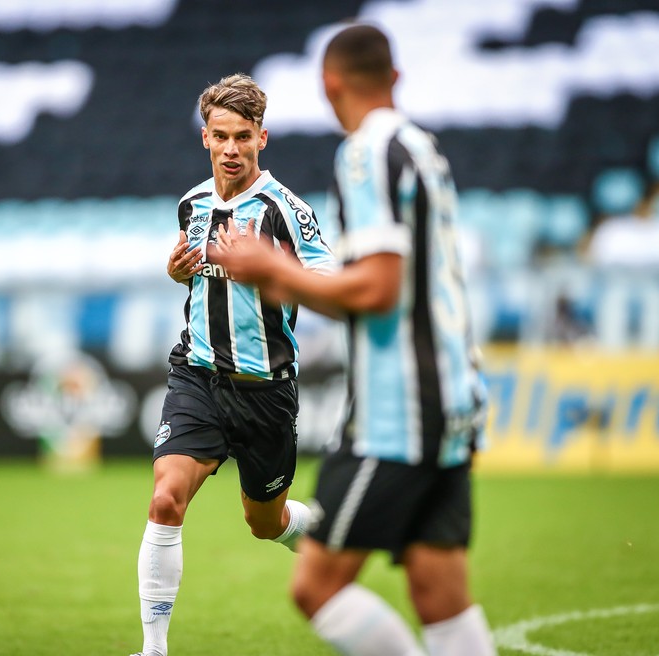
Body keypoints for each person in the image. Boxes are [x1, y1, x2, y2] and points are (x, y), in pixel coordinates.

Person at [212, 25, 497, 656]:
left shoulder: (365, 152)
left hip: (397, 413)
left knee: (315, 586)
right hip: (452, 396)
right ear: (394, 79)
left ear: (328, 84)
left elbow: (378, 289)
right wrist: (297, 285)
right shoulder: (421, 147)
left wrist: (273, 270)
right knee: (436, 588)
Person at [131, 73, 336, 656]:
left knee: (264, 523)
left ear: (262, 138)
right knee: (166, 498)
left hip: (265, 388)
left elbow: (331, 282)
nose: (230, 149)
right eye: (219, 136)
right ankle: (153, 649)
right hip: (197, 372)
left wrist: (272, 270)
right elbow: (195, 277)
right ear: (204, 138)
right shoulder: (191, 203)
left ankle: (327, 532)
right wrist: (177, 272)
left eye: (242, 137)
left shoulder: (285, 210)